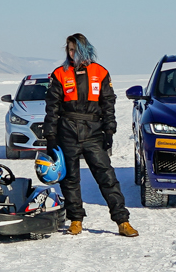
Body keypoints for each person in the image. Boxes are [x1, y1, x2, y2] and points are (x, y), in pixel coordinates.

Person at [40, 33, 137, 237]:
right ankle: (76, 219)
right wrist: (50, 136)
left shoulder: (100, 73)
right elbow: (52, 108)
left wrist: (109, 130)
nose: (71, 53)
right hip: (67, 132)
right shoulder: (59, 74)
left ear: (85, 50)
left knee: (107, 177)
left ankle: (122, 220)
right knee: (70, 179)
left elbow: (108, 104)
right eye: (69, 49)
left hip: (93, 132)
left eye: (74, 49)